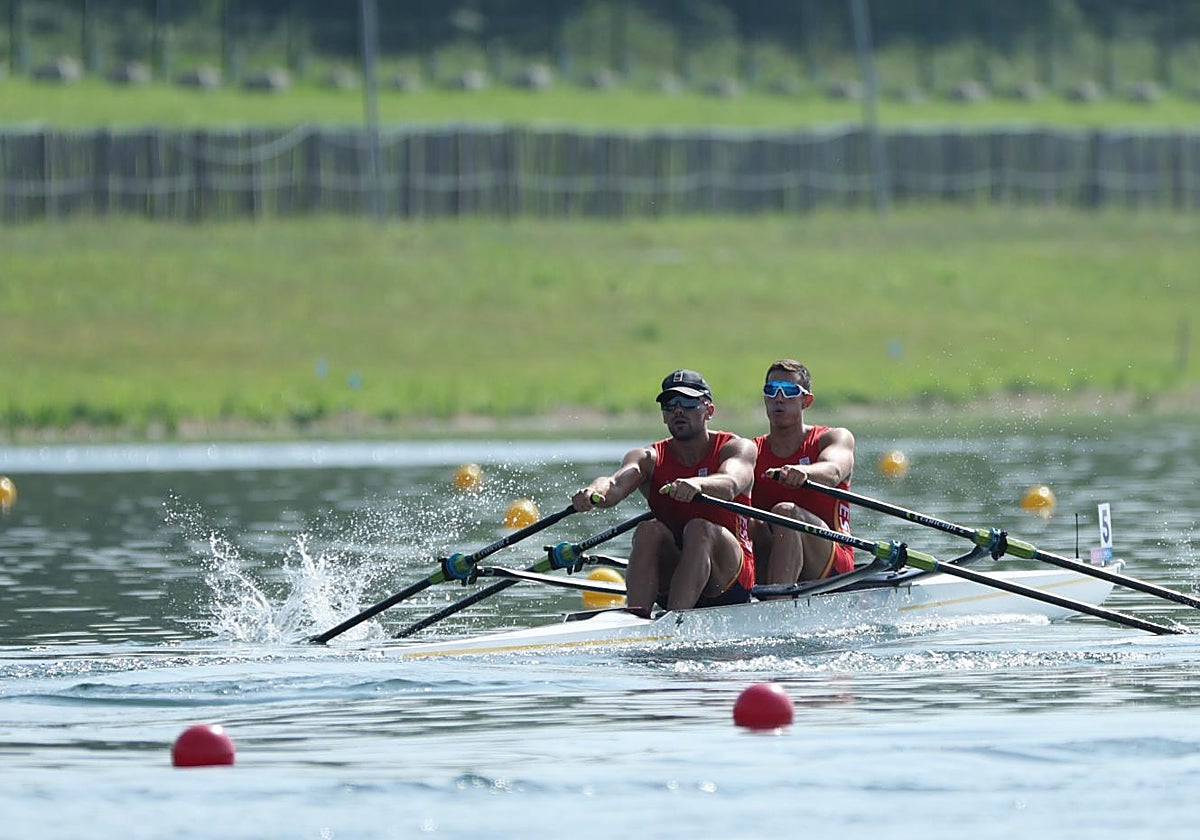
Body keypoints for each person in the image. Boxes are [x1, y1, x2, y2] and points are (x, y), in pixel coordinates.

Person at [572, 369, 757, 614]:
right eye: (670, 405)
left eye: (689, 402)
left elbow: (730, 482)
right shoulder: (648, 457)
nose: (678, 410)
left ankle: (675, 621)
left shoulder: (736, 448)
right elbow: (615, 484)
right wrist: (594, 491)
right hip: (675, 572)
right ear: (664, 416)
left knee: (699, 528)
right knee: (648, 530)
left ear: (709, 410)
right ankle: (636, 617)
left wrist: (698, 485)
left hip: (730, 579)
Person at [752, 359, 856, 585]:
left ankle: (778, 603)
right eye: (771, 390)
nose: (779, 398)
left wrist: (805, 472)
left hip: (833, 562)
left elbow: (834, 470)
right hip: (774, 554)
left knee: (785, 512)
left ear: (806, 401)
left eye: (789, 391)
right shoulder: (752, 451)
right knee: (748, 523)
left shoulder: (833, 438)